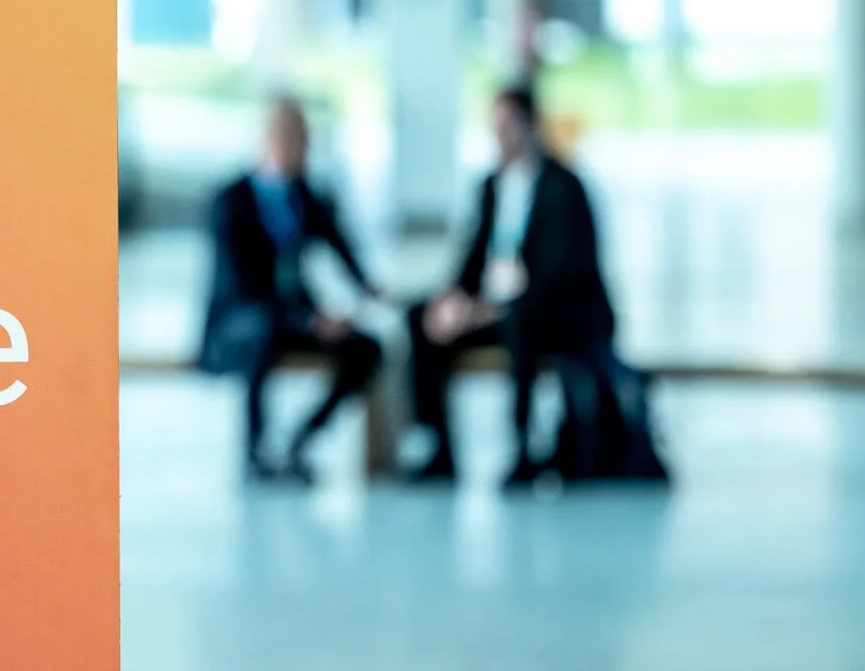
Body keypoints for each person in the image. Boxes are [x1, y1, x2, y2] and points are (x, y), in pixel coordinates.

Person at [406, 84, 616, 487]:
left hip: (555, 313)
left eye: (508, 125)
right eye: (495, 126)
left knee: (521, 318)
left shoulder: (563, 186)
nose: (499, 136)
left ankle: (521, 443)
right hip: (498, 308)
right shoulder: (491, 185)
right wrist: (453, 299)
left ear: (532, 125)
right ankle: (436, 445)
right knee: (421, 318)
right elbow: (473, 257)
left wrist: (490, 310)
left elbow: (557, 272)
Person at [199, 98, 385, 485]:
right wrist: (306, 319)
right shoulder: (233, 201)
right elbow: (239, 284)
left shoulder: (304, 196)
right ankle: (256, 449)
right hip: (240, 319)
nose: (303, 148)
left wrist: (367, 288)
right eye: (295, 138)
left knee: (366, 348)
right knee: (262, 329)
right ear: (270, 139)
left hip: (292, 316)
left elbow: (339, 244)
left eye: (305, 139)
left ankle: (301, 440)